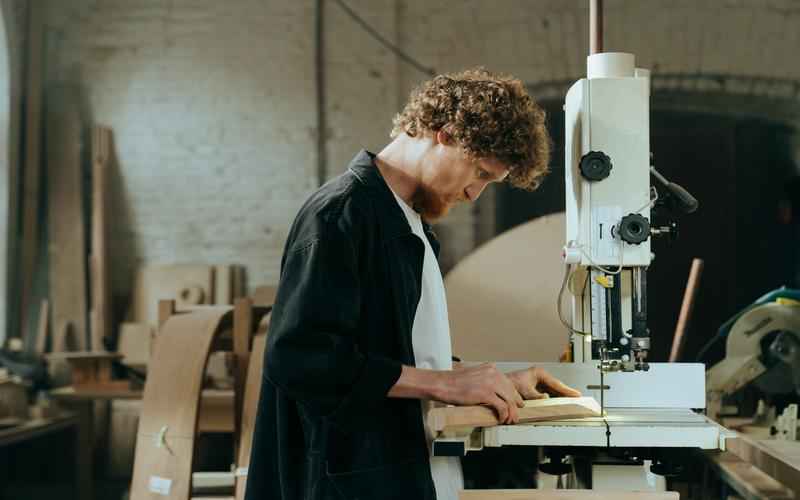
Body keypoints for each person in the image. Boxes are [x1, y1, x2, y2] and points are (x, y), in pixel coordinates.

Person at [245, 68, 581, 500]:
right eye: (478, 172)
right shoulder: (342, 215)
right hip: (345, 480)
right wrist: (445, 384)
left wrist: (481, 381)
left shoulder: (410, 224)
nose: (474, 194)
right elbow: (300, 355)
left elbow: (389, 350)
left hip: (400, 469)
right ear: (444, 134)